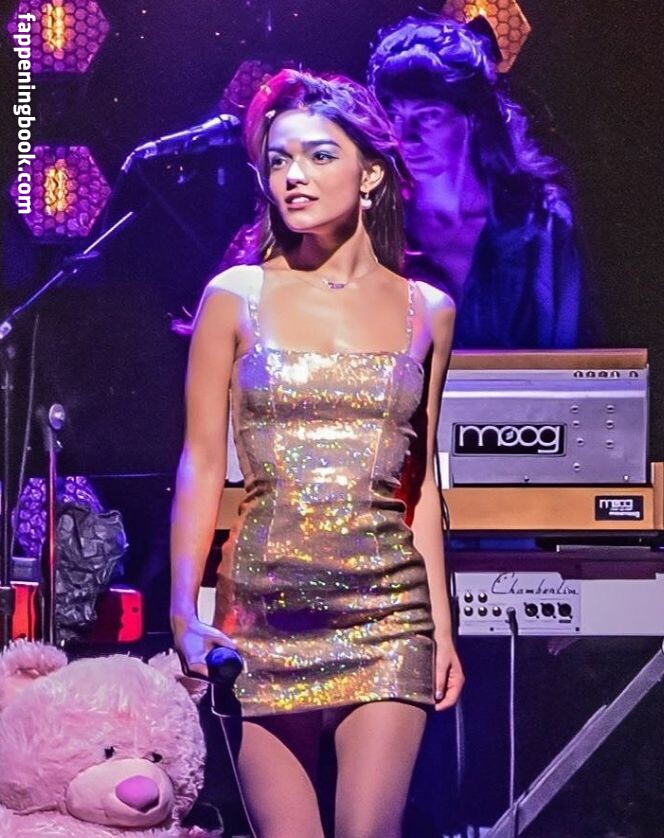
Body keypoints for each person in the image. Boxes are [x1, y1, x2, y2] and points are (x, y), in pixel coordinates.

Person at [170, 68, 463, 838]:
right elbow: (201, 462)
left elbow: (419, 484)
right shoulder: (235, 297)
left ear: (370, 174)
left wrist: (441, 624)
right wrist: (182, 609)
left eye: (318, 156)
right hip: (265, 615)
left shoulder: (428, 312)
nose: (293, 176)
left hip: (387, 613)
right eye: (277, 161)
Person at [368, 16, 593, 349]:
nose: (407, 136)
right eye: (395, 116)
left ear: (473, 117)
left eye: (429, 116)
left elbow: (570, 359)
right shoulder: (371, 225)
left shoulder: (539, 225)